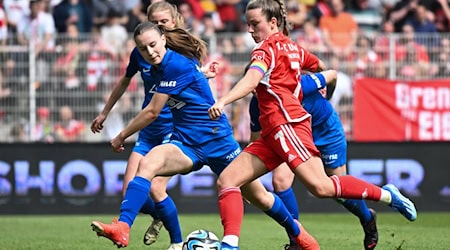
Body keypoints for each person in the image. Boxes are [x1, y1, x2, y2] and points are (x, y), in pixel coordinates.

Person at [90, 22, 319, 250]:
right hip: (186, 143)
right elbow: (188, 81)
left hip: (217, 141)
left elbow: (152, 111)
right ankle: (123, 227)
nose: (149, 52)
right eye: (143, 49)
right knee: (148, 163)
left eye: (152, 45)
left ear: (163, 39)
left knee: (260, 197)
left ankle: (299, 234)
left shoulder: (175, 65)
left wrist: (121, 136)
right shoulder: (165, 66)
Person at [207, 0, 417, 249]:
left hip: (289, 125)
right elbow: (319, 65)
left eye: (255, 24)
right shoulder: (293, 48)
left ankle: (386, 195)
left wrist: (224, 99)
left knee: (322, 187)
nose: (250, 31)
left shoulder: (265, 50)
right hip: (276, 132)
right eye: (248, 25)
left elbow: (252, 79)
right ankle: (230, 244)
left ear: (273, 23)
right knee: (228, 180)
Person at [90, 2, 186, 248]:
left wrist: (204, 73)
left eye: (163, 21)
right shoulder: (142, 52)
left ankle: (177, 243)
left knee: (153, 187)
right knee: (130, 193)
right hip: (149, 131)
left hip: (174, 130)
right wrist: (105, 113)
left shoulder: (180, 55)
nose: (158, 25)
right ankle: (159, 216)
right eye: (154, 21)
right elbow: (124, 81)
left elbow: (192, 81)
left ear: (173, 22)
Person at [250, 70, 378, 250]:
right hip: (294, 134)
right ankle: (296, 240)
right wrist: (251, 179)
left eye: (255, 84)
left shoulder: (299, 84)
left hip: (324, 130)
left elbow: (332, 74)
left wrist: (328, 97)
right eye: (251, 87)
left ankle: (367, 218)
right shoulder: (257, 104)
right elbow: (255, 142)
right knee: (280, 181)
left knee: (337, 190)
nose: (254, 91)